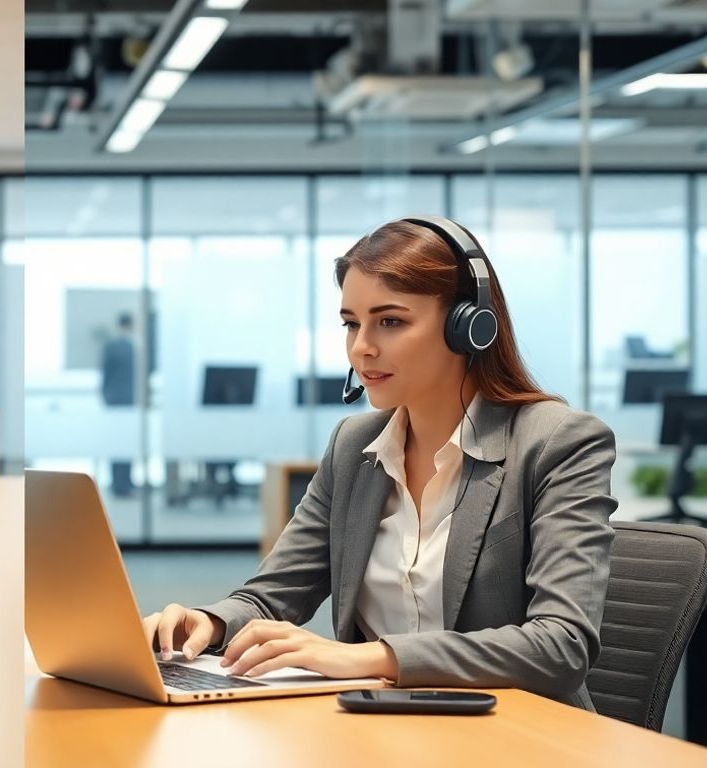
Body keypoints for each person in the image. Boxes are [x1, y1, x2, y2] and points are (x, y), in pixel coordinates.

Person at [141, 216, 617, 711]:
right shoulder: (355, 446)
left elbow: (562, 645)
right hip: (377, 729)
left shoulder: (558, 442)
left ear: (469, 328)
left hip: (519, 735)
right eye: (352, 323)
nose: (361, 347)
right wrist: (209, 622)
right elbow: (270, 596)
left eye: (390, 321)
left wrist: (376, 657)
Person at [100, 312, 137, 497]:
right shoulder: (132, 348)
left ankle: (121, 483)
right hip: (125, 401)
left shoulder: (113, 346)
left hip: (116, 400)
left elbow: (105, 375)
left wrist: (106, 396)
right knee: (122, 444)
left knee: (121, 444)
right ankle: (123, 484)